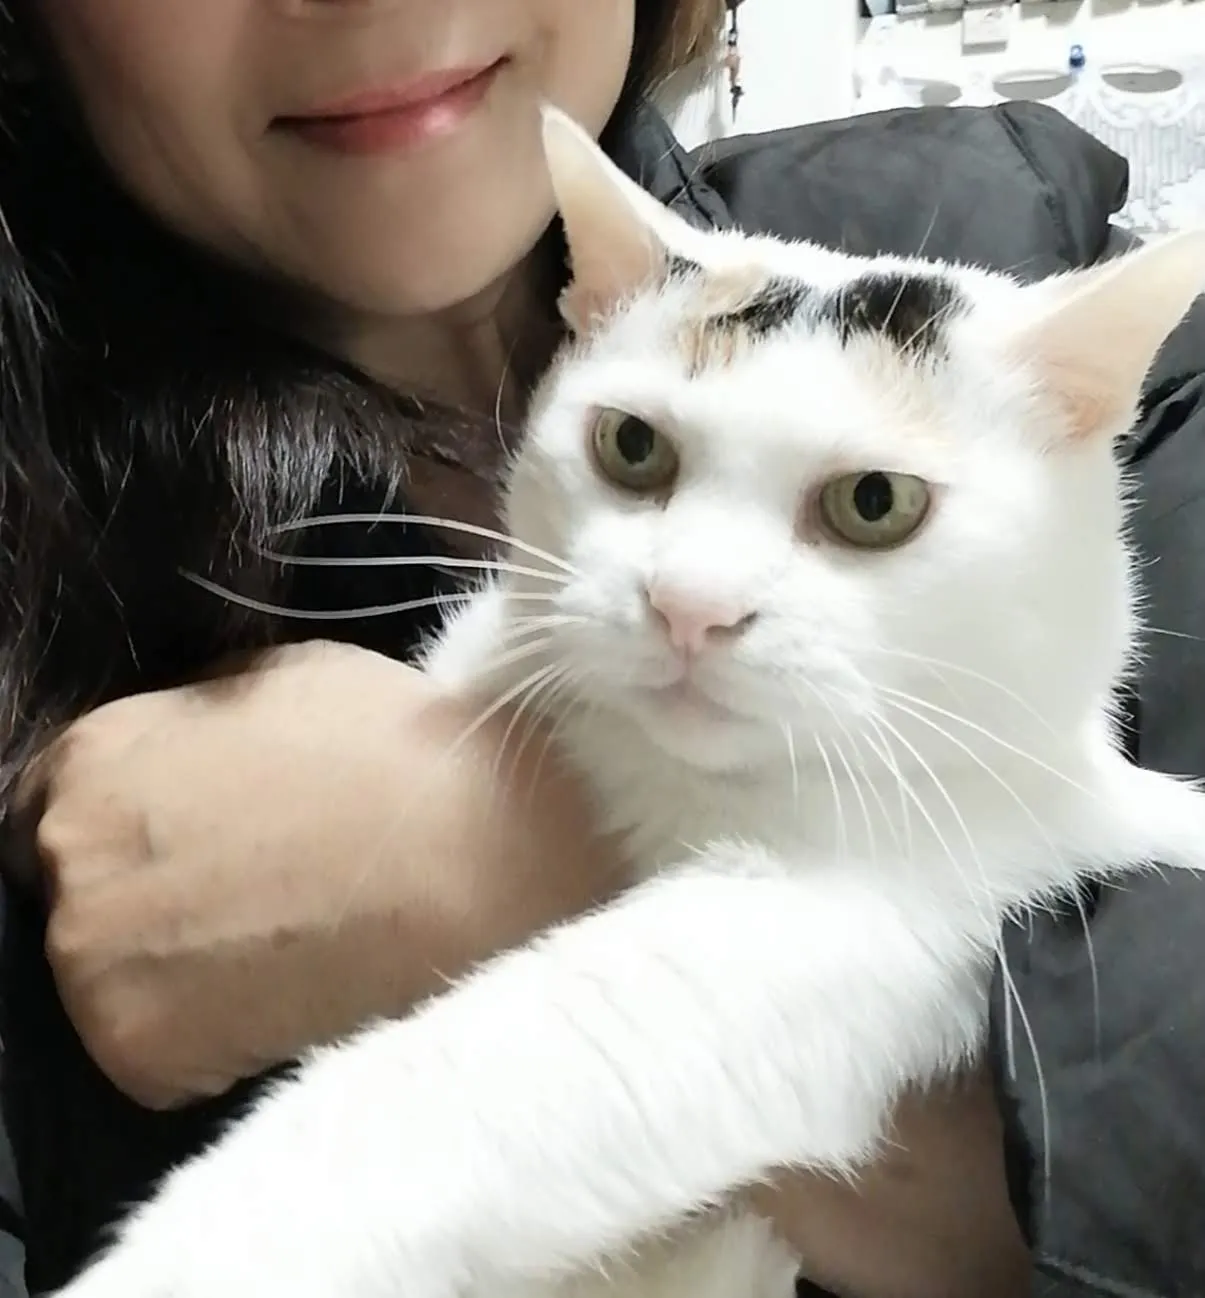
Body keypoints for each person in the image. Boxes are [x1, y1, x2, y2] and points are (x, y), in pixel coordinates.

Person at [0, 2, 1201, 1296]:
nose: (381, 3)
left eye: (869, 504)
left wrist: (479, 866)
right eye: (637, 453)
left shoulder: (1035, 251)